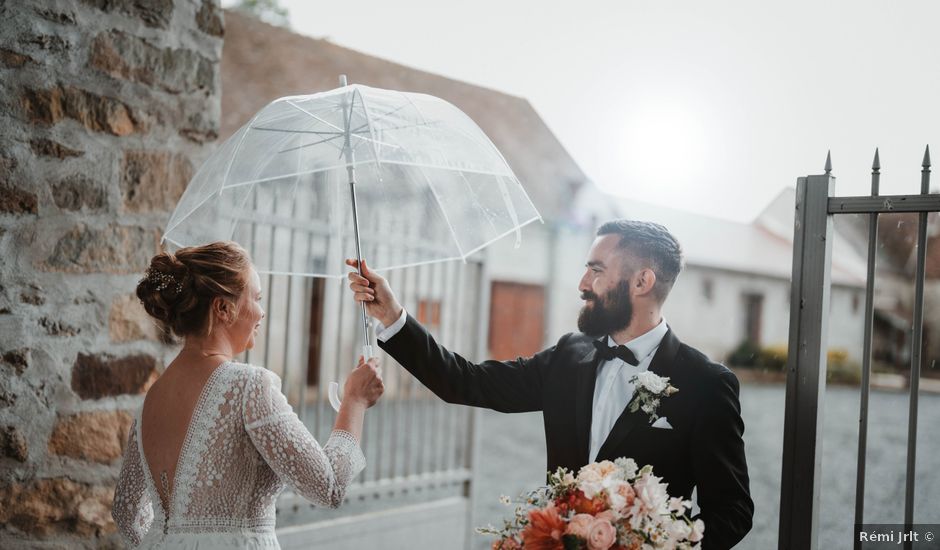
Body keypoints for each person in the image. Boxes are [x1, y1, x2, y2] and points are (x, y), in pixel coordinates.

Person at [347, 220, 754, 549]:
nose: (582, 284)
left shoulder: (706, 383)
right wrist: (393, 316)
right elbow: (463, 381)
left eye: (596, 270)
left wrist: (662, 545)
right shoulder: (568, 356)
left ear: (642, 282)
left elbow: (731, 511)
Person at [112, 241, 384, 549]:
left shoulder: (152, 398)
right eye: (256, 298)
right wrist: (354, 401)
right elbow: (328, 487)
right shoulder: (248, 387)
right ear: (223, 308)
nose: (262, 311)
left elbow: (126, 512)